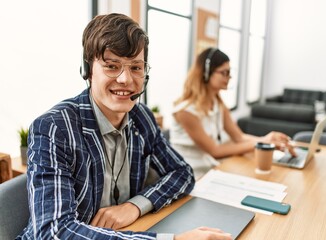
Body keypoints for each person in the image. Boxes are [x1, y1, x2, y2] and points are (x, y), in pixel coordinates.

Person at [17, 14, 232, 240]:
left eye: (136, 68)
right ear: (87, 69)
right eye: (112, 66)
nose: (125, 80)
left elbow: (182, 172)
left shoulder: (141, 117)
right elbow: (53, 233)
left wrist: (135, 206)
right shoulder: (54, 128)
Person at [170, 48, 295, 179]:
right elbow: (215, 151)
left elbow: (239, 137)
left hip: (212, 170)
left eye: (229, 73)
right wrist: (262, 142)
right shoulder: (185, 111)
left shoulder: (217, 103)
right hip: (191, 177)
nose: (228, 77)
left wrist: (269, 139)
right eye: (224, 72)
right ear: (206, 73)